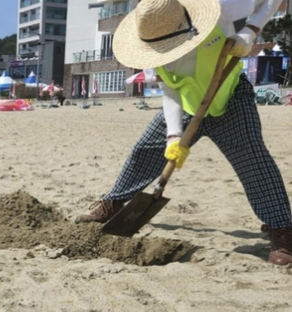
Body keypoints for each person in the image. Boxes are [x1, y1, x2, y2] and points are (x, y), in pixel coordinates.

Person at [75, 0, 292, 265]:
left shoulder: (221, 9)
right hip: (189, 106)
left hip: (230, 99)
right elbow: (170, 91)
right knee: (145, 150)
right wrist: (174, 137)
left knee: (253, 161)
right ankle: (113, 203)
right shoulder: (154, 46)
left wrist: (250, 31)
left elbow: (270, 2)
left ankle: (283, 231)